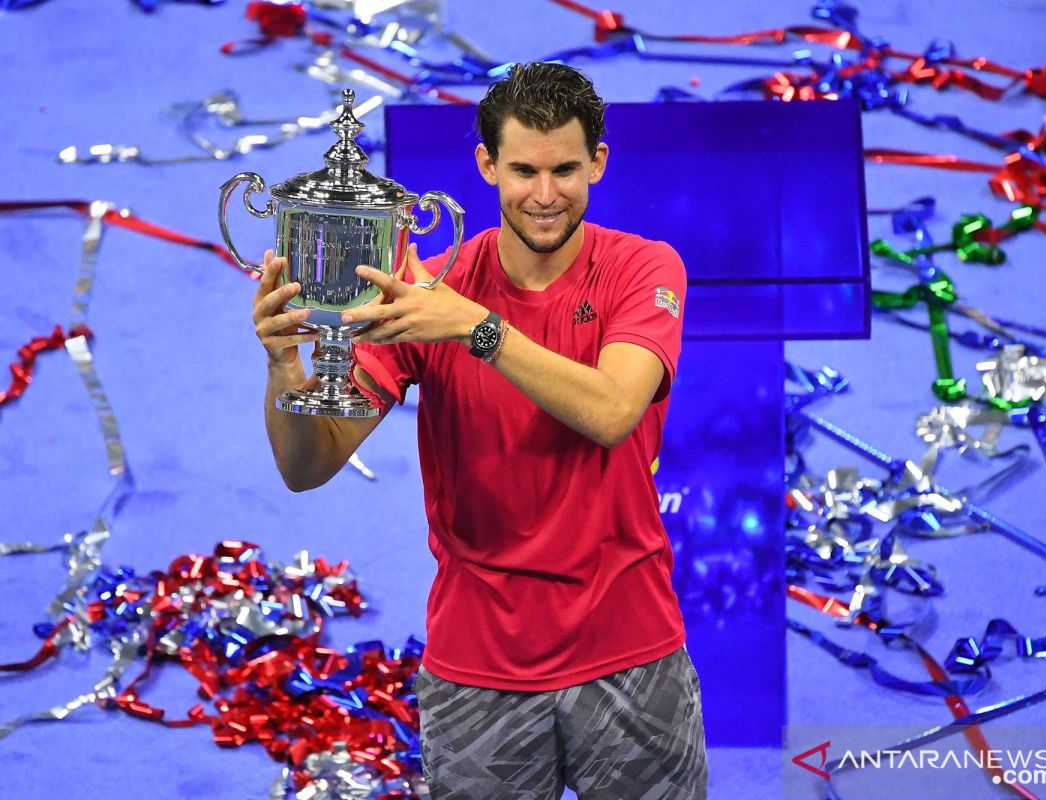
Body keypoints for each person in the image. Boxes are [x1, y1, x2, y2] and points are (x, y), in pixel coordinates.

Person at [251, 62, 707, 799]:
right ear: (486, 164)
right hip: (478, 666)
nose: (546, 194)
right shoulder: (425, 298)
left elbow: (613, 411)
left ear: (598, 161)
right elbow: (309, 467)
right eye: (524, 169)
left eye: (565, 168)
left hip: (631, 651)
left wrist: (477, 327)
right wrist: (283, 367)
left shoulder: (642, 269)